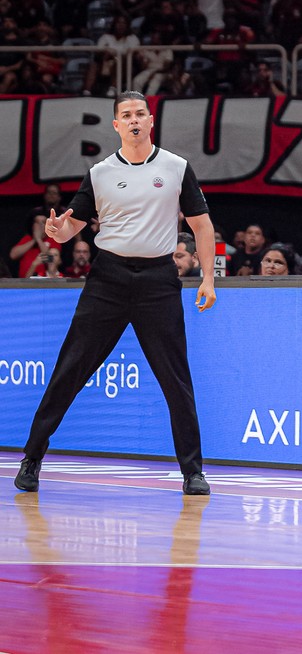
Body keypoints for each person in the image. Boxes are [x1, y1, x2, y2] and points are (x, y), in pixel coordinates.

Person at [14, 91, 217, 497]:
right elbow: (75, 224)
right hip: (107, 279)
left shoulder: (176, 167)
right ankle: (32, 458)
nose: (135, 120)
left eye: (140, 113)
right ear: (116, 125)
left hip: (158, 281)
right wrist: (59, 232)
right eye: (127, 115)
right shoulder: (101, 172)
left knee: (176, 379)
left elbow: (202, 226)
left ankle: (193, 472)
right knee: (69, 369)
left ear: (151, 120)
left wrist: (208, 278)